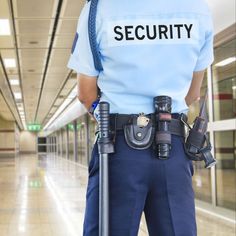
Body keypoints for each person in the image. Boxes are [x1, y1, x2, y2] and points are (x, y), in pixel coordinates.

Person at [67, 0, 214, 235]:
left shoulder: (98, 9)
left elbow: (86, 94)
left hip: (117, 149)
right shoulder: (197, 8)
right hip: (174, 147)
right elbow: (193, 93)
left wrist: (105, 118)